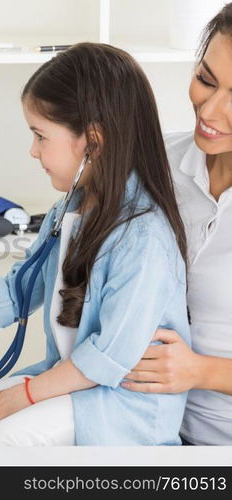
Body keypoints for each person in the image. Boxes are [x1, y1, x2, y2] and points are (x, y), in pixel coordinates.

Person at [0, 43, 190, 446]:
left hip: (122, 404)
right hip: (70, 380)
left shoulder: (144, 236)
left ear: (92, 141)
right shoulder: (67, 210)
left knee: (2, 440)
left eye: (41, 136)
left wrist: (27, 394)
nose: (33, 151)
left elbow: (109, 356)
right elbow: (17, 291)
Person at [122, 3, 232, 446]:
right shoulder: (153, 162)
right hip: (142, 422)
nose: (210, 110)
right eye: (206, 79)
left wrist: (200, 371)